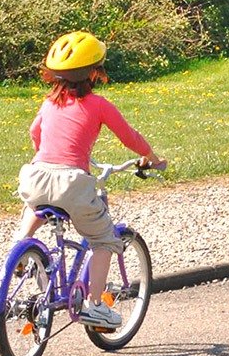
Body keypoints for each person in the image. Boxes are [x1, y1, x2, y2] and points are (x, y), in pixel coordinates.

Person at [12, 31, 165, 330]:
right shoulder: (99, 105)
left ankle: (21, 247)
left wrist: (44, 155)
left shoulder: (49, 103)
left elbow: (34, 132)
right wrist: (151, 157)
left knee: (36, 206)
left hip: (36, 174)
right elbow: (129, 137)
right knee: (104, 239)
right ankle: (95, 306)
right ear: (94, 72)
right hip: (72, 183)